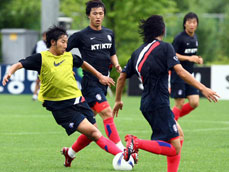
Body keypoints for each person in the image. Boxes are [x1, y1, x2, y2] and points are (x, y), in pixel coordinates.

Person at [2, 26, 123, 168]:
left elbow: (84, 64)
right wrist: (9, 73)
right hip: (61, 107)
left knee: (92, 134)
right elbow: (19, 64)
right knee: (94, 133)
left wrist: (101, 76)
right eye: (63, 42)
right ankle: (122, 154)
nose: (66, 45)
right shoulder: (41, 58)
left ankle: (69, 153)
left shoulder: (69, 56)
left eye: (66, 42)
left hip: (79, 100)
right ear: (53, 42)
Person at [112, 15, 219, 172]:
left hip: (147, 104)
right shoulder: (166, 47)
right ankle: (136, 142)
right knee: (174, 147)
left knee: (179, 137)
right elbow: (181, 72)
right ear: (163, 29)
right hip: (159, 104)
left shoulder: (137, 52)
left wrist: (118, 100)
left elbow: (121, 77)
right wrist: (203, 88)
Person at [66, 0, 126, 153]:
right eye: (95, 13)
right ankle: (122, 151)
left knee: (91, 128)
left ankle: (70, 153)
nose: (98, 16)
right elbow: (63, 51)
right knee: (106, 112)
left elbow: (112, 53)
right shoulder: (81, 36)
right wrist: (67, 68)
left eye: (101, 13)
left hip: (104, 83)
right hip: (90, 83)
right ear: (88, 15)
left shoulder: (109, 33)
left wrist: (117, 65)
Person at [170, 12, 203, 121]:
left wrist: (198, 58)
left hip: (189, 75)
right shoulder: (180, 38)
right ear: (185, 24)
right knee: (180, 102)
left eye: (194, 22)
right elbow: (172, 54)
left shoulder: (195, 38)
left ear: (197, 24)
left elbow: (191, 54)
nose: (192, 25)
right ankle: (171, 125)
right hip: (178, 74)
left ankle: (170, 119)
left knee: (195, 102)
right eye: (189, 22)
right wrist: (189, 58)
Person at [31, 32, 48, 100]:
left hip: (49, 64)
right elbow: (33, 53)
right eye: (44, 36)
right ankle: (35, 95)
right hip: (40, 64)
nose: (45, 38)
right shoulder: (39, 43)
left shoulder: (51, 44)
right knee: (38, 80)